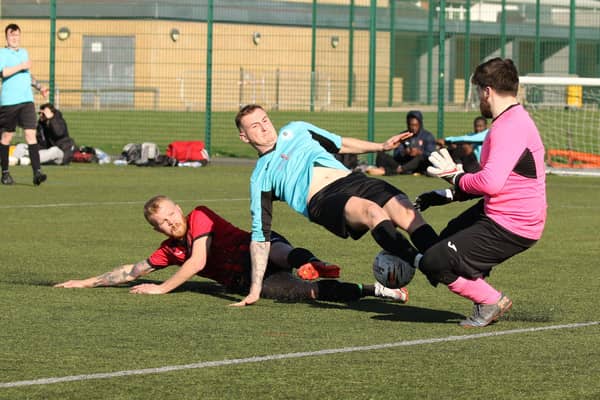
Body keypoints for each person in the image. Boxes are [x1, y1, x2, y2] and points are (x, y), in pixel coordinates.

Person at [234, 104, 439, 306]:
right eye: (254, 126)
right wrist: (255, 289)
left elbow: (339, 143)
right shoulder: (260, 177)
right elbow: (261, 236)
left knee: (404, 210)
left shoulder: (296, 129)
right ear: (244, 136)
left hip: (352, 180)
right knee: (372, 212)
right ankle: (423, 263)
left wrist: (382, 146)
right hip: (323, 199)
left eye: (265, 120)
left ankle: (443, 258)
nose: (264, 127)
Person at [55, 195, 409, 304]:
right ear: (156, 228)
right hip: (243, 282)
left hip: (257, 250)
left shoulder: (201, 217)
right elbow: (133, 270)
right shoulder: (168, 251)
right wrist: (85, 282)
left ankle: (315, 261)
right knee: (310, 293)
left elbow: (198, 261)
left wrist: (162, 288)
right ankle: (377, 289)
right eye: (161, 224)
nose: (169, 224)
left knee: (277, 251)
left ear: (179, 209)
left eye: (170, 216)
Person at [415, 58, 546, 327]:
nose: (478, 100)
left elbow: (490, 183)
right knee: (446, 238)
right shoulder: (511, 120)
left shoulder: (508, 127)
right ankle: (480, 292)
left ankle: (490, 300)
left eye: (478, 93)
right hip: (502, 212)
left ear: (487, 91)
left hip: (513, 224)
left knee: (434, 262)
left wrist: (454, 176)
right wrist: (448, 193)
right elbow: (498, 179)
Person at [0, 23, 49, 185]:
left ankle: (37, 173)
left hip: (27, 100)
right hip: (9, 102)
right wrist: (21, 66)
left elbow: (28, 75)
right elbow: (3, 73)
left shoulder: (24, 52)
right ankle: (5, 173)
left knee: (30, 135)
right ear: (6, 37)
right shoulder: (2, 53)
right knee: (7, 136)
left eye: (16, 35)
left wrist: (39, 86)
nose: (14, 38)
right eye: (11, 35)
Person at [366, 110, 436, 176]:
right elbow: (396, 154)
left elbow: (431, 154)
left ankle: (397, 170)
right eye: (411, 125)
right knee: (381, 155)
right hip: (404, 162)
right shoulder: (403, 135)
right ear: (407, 124)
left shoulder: (428, 136)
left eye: (416, 125)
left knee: (420, 158)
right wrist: (405, 152)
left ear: (420, 124)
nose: (413, 128)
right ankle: (402, 169)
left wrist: (419, 152)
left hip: (419, 165)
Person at [10, 102, 75, 165]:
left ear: (51, 113)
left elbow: (59, 133)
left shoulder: (59, 120)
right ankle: (13, 160)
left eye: (43, 113)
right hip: (44, 153)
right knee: (21, 146)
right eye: (39, 113)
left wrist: (51, 119)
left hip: (60, 153)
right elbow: (39, 143)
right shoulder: (41, 125)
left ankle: (29, 160)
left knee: (54, 150)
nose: (41, 115)